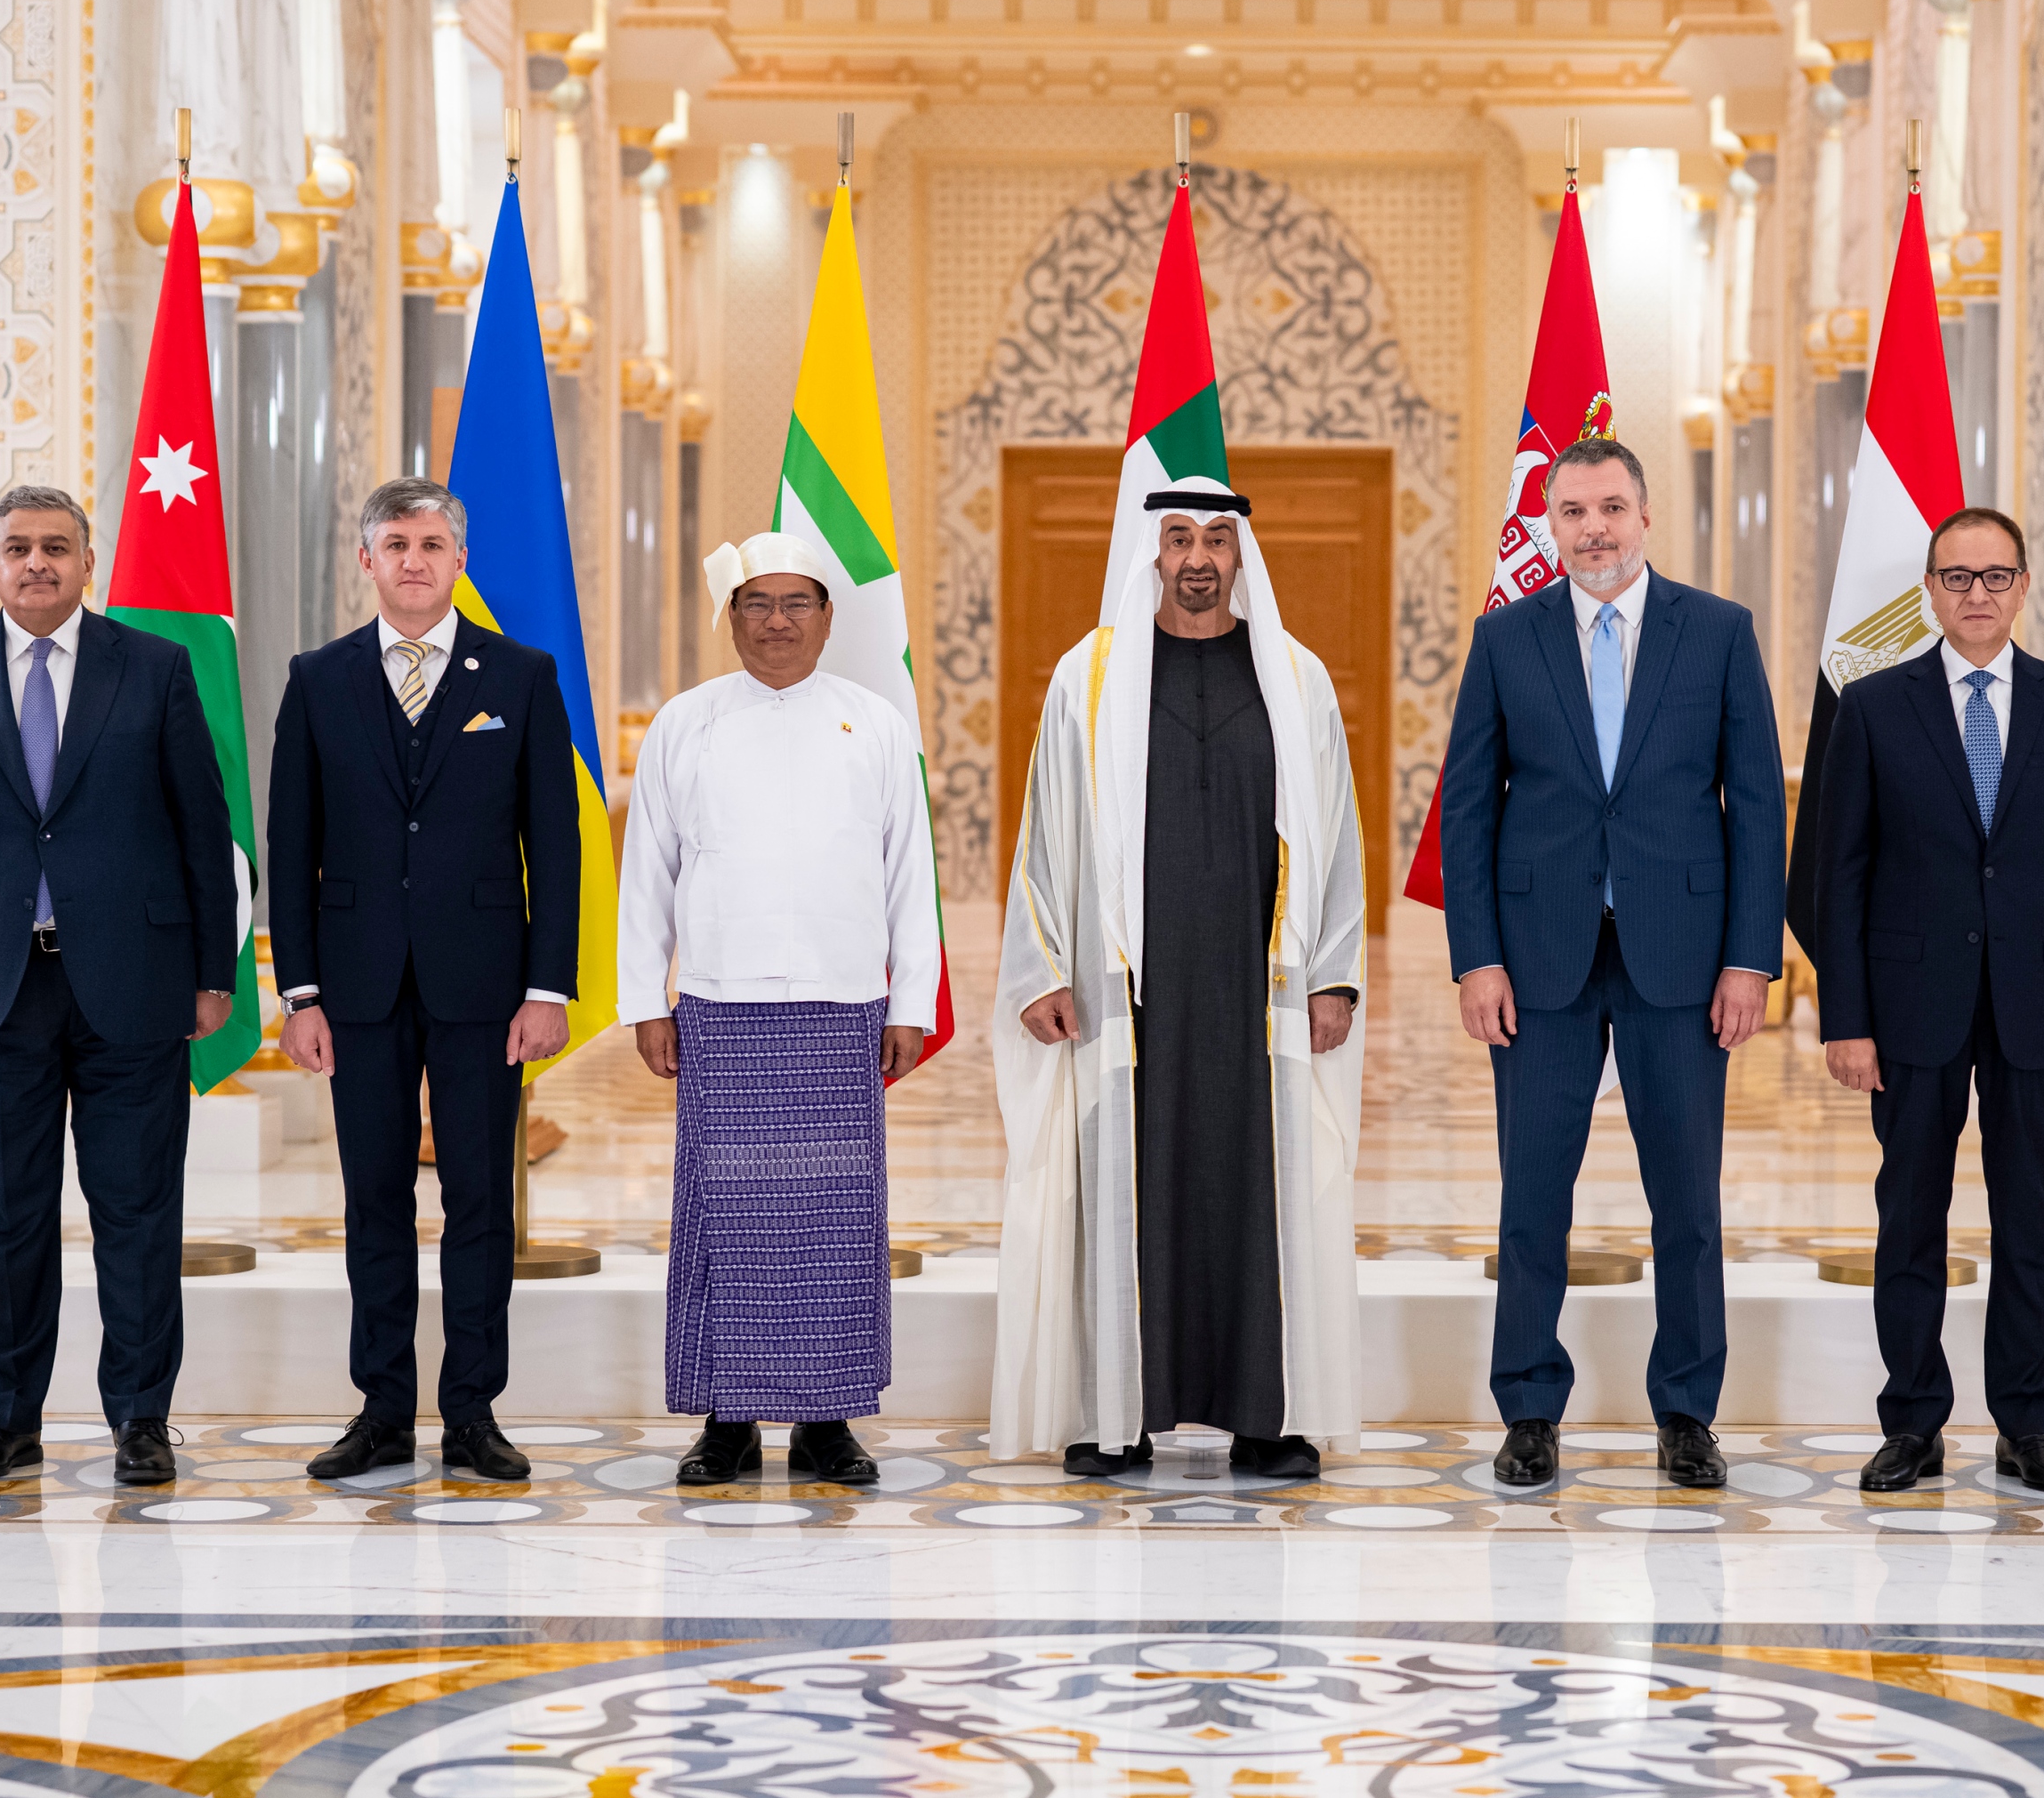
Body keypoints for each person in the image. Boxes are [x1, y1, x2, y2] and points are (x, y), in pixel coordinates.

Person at [993, 485, 1368, 1480]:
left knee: (1261, 1186)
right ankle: (1117, 1412)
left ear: (1241, 555)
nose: (1197, 557)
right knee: (1129, 1178)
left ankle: (1266, 1415)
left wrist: (1333, 976)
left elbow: (1337, 835)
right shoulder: (1088, 675)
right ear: (1150, 553)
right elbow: (1042, 831)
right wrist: (1041, 968)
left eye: (1215, 539)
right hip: (1126, 993)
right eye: (1177, 538)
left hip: (1258, 987)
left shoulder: (1295, 676)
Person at [0, 483, 238, 1488]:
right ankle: (1, 1418)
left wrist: (215, 971)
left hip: (134, 982)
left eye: (57, 547)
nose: (38, 563)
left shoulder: (153, 668)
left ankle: (141, 1419)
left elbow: (202, 827)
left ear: (88, 562)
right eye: (19, 547)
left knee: (138, 1214)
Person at [1436, 431, 1784, 1491]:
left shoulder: (1716, 632)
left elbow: (1755, 805)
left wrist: (1748, 959)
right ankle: (1527, 1407)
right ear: (1550, 523)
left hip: (1679, 959)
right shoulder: (1505, 638)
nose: (1593, 528)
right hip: (1536, 961)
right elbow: (1466, 808)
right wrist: (1475, 958)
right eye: (1573, 511)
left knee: (1686, 1200)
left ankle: (1685, 1411)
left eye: (1610, 508)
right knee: (1531, 1196)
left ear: (1644, 515)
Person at [267, 477, 580, 1486]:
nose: (414, 560)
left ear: (458, 560)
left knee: (481, 1197)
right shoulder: (317, 678)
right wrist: (300, 993)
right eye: (395, 543)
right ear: (366, 559)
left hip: (485, 982)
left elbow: (555, 842)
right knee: (373, 1196)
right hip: (355, 984)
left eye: (432, 543)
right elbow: (291, 844)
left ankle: (473, 1410)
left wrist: (548, 986)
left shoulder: (521, 676)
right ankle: (382, 1410)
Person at [618, 533, 940, 1489]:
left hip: (844, 1006)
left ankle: (826, 1420)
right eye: (756, 603)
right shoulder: (685, 722)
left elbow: (909, 872)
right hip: (722, 1004)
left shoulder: (874, 722)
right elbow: (648, 872)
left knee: (837, 1216)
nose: (776, 621)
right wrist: (645, 999)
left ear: (828, 617)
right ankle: (725, 1420)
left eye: (796, 602)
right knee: (723, 1213)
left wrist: (911, 1000)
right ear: (731, 617)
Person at [1811, 507, 2044, 1496]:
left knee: (2029, 1218)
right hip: (1910, 1003)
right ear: (1929, 590)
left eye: (1994, 576)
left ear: (2023, 585)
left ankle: (2025, 1423)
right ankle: (1911, 1421)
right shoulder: (1872, 707)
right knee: (1910, 1214)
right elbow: (1839, 877)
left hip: (2038, 1002)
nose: (1976, 594)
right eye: (1956, 577)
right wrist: (1845, 1019)